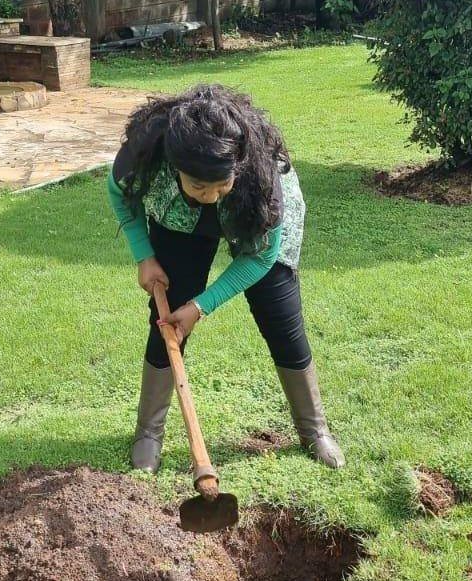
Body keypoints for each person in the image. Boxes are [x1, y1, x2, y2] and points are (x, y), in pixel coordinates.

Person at [107, 84, 345, 474]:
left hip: (252, 213)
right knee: (167, 319)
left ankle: (313, 428)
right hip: (178, 223)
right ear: (174, 166)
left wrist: (202, 306)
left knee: (280, 313)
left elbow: (260, 258)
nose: (211, 197)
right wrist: (144, 256)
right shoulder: (148, 151)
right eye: (199, 187)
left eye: (220, 186)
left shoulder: (264, 180)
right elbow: (118, 192)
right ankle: (148, 434)